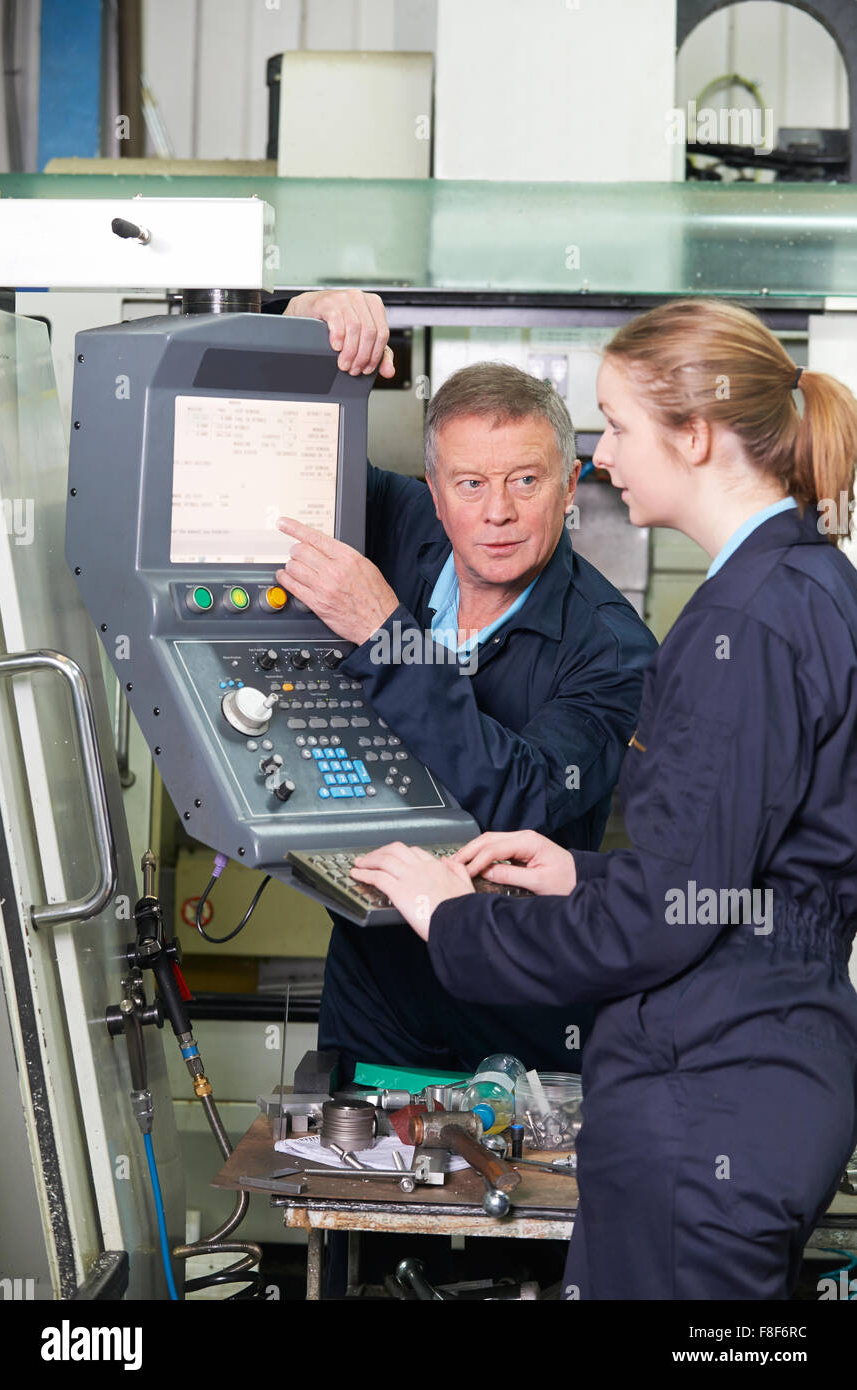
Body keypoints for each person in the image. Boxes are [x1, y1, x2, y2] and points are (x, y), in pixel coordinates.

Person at [351, 297, 857, 1300]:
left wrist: (453, 920)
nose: (606, 454)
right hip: (771, 1070)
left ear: (696, 433)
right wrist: (579, 868)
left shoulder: (739, 626)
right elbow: (737, 871)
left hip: (703, 1094)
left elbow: (663, 923)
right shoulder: (808, 583)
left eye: (617, 425)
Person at [269, 289, 657, 1083]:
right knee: (348, 1190)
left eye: (526, 480)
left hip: (515, 1007)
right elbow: (280, 460)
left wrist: (389, 637)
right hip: (374, 988)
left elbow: (522, 801)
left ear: (570, 484)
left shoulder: (614, 649)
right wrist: (302, 329)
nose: (499, 513)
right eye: (471, 485)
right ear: (434, 489)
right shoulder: (402, 524)